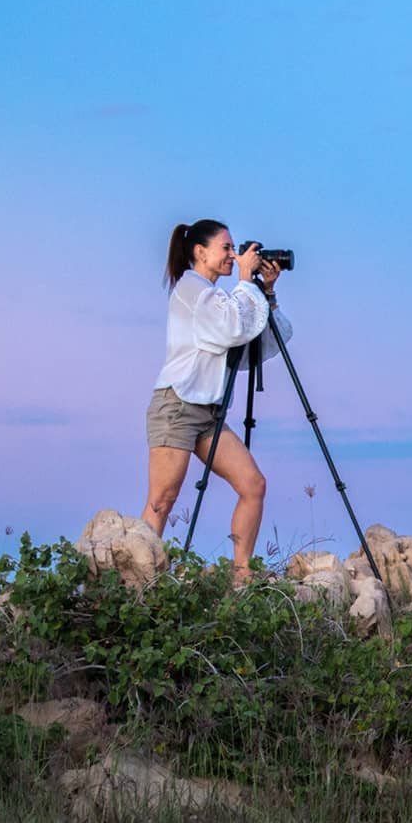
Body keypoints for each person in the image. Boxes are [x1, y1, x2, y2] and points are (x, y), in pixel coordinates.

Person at [141, 220, 290, 585]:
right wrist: (244, 280)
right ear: (199, 252)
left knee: (253, 485)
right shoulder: (192, 291)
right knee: (162, 499)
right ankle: (136, 582)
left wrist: (265, 292)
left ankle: (242, 577)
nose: (234, 254)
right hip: (177, 405)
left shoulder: (220, 297)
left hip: (209, 412)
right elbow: (231, 328)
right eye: (226, 248)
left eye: (234, 248)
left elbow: (260, 344)